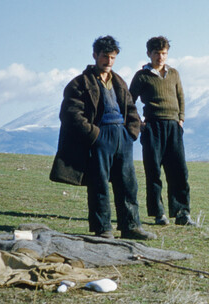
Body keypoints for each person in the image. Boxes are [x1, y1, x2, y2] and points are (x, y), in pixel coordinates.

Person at [51, 36, 156, 240]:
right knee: (98, 184)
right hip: (100, 137)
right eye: (105, 57)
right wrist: (94, 135)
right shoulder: (80, 83)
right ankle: (103, 229)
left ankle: (131, 226)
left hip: (122, 137)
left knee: (128, 183)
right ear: (95, 56)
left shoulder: (119, 81)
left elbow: (131, 108)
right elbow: (71, 114)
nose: (109, 62)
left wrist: (131, 132)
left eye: (113, 57)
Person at [129, 36, 196, 226]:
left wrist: (181, 118)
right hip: (153, 127)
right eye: (157, 53)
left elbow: (180, 96)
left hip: (173, 127)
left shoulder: (174, 73)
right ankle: (159, 214)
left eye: (164, 53)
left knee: (179, 171)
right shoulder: (141, 76)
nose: (160, 57)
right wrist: (139, 123)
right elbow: (128, 101)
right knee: (153, 172)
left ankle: (182, 213)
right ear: (149, 54)